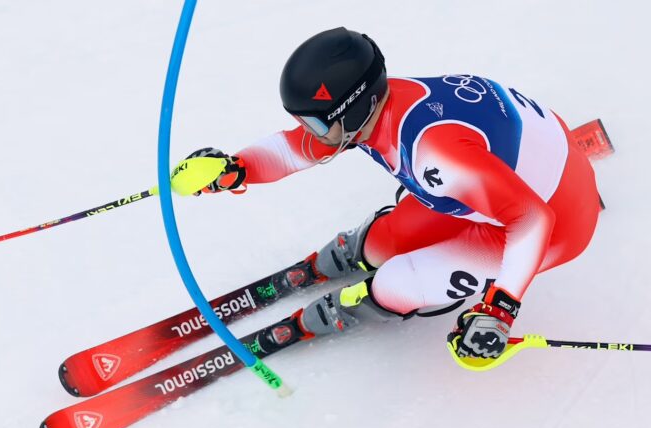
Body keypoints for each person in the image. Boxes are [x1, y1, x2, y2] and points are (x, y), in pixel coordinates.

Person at [174, 27, 601, 364]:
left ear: (355, 108)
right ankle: (361, 252)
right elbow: (298, 148)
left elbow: (532, 219)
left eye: (317, 124)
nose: (310, 133)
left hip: (553, 223)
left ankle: (360, 303)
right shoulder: (371, 108)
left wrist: (499, 311)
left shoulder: (437, 157)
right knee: (384, 242)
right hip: (502, 177)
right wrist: (237, 168)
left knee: (399, 282)